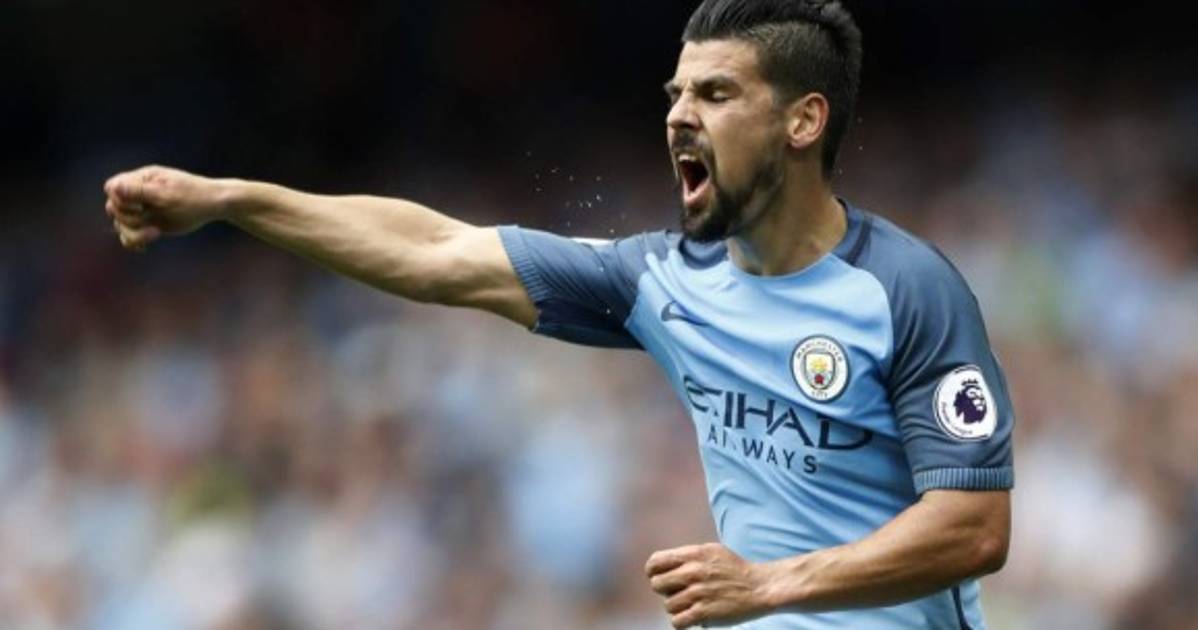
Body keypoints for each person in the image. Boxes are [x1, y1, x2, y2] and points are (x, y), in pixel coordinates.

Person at [103, 0, 1013, 627]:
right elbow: (434, 251)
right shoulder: (661, 282)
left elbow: (975, 528)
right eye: (675, 95)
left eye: (715, 94)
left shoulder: (907, 292)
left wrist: (770, 586)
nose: (679, 116)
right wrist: (233, 200)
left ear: (803, 122)